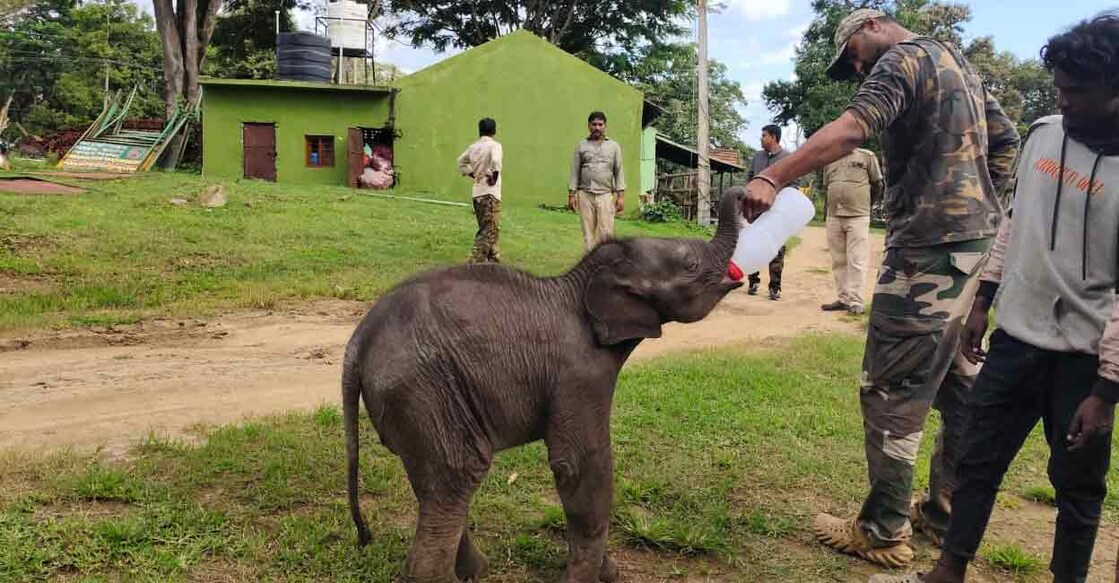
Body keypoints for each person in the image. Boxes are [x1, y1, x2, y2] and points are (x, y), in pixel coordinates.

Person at [738, 8, 1020, 567]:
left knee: (891, 388)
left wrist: (773, 174)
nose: (857, 69)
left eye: (852, 58)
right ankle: (944, 514)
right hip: (971, 249)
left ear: (870, 28)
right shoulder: (955, 61)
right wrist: (985, 207)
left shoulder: (903, 58)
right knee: (961, 387)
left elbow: (852, 128)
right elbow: (1007, 140)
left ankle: (884, 529)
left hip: (926, 251)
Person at [870, 13, 1119, 583]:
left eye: (1077, 92)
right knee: (978, 459)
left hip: (1085, 357)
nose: (1064, 101)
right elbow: (1013, 221)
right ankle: (949, 569)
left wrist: (1106, 392)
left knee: (1078, 487)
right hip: (1015, 338)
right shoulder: (1044, 134)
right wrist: (982, 300)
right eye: (1059, 88)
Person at [821, 147, 883, 315]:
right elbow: (828, 186)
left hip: (858, 216)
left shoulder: (867, 156)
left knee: (857, 259)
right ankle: (843, 299)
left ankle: (856, 301)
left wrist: (867, 206)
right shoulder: (830, 158)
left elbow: (877, 184)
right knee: (838, 260)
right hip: (834, 216)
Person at [746, 124, 797, 300]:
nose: (761, 138)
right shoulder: (757, 157)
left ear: (774, 137)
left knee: (776, 248)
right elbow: (750, 178)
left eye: (764, 135)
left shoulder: (787, 158)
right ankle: (753, 281)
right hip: (755, 210)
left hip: (777, 211)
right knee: (752, 245)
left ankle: (775, 287)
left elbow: (793, 185)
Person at [568, 111, 625, 251]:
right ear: (589, 126)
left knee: (606, 234)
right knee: (588, 234)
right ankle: (590, 267)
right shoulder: (581, 145)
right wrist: (571, 195)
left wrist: (620, 197)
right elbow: (575, 171)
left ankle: (605, 265)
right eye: (594, 124)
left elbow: (619, 171)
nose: (597, 128)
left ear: (605, 126)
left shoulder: (614, 146)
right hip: (585, 195)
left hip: (605, 195)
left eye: (600, 124)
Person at [456, 117, 504, 263]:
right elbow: (496, 161)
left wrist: (473, 174)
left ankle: (494, 262)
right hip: (490, 192)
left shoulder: (473, 147)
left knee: (488, 227)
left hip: (477, 193)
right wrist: (494, 177)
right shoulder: (494, 146)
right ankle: (474, 263)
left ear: (480, 130)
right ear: (494, 131)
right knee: (489, 230)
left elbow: (460, 163)